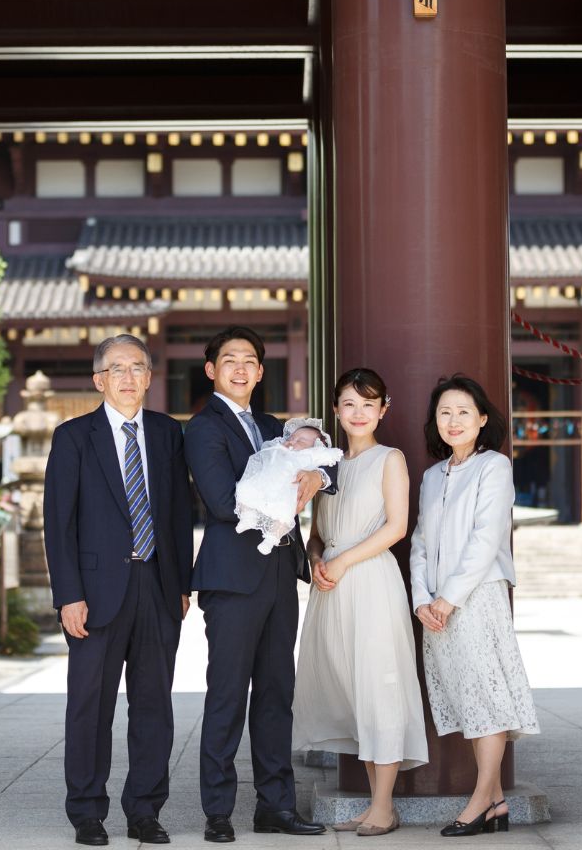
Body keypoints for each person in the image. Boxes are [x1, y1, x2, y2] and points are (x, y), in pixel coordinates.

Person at [43, 334, 195, 847]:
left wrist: (180, 583)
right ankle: (87, 811)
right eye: (117, 369)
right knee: (90, 706)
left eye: (138, 368)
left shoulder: (168, 434)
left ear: (150, 377)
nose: (128, 378)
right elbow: (57, 524)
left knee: (154, 704)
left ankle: (145, 810)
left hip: (156, 584)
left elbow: (178, 513)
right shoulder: (73, 437)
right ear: (99, 380)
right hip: (94, 592)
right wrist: (68, 594)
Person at [186, 326, 335, 842]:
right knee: (227, 695)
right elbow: (225, 502)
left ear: (261, 371)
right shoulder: (203, 428)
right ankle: (218, 812)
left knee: (276, 695)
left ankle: (276, 806)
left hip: (278, 575)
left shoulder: (273, 425)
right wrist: (288, 486)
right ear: (212, 370)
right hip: (231, 581)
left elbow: (323, 462)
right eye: (230, 360)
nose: (241, 368)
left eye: (250, 360)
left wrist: (317, 478)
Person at [293, 368, 428, 838]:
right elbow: (315, 532)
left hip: (370, 579)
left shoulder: (390, 459)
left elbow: (396, 527)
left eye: (368, 405)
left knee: (379, 686)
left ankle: (384, 806)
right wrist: (315, 560)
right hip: (331, 583)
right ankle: (376, 804)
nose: (358, 413)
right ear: (335, 409)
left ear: (382, 410)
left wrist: (344, 560)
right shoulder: (325, 466)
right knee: (351, 688)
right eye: (349, 404)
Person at [409, 374, 540, 838]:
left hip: (476, 597)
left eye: (464, 411)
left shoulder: (494, 467)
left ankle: (482, 799)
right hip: (437, 606)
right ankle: (498, 802)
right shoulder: (430, 475)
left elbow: (487, 539)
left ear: (483, 419)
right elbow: (421, 540)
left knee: (485, 695)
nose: (454, 420)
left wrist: (448, 599)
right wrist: (423, 599)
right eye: (445, 412)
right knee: (466, 696)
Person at [235, 418, 343, 554]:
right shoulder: (279, 449)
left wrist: (319, 473)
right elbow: (266, 455)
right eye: (291, 438)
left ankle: (270, 540)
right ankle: (247, 517)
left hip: (286, 492)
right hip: (265, 485)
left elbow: (331, 458)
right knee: (245, 488)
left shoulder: (311, 455)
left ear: (315, 446)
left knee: (284, 514)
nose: (292, 442)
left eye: (301, 441)